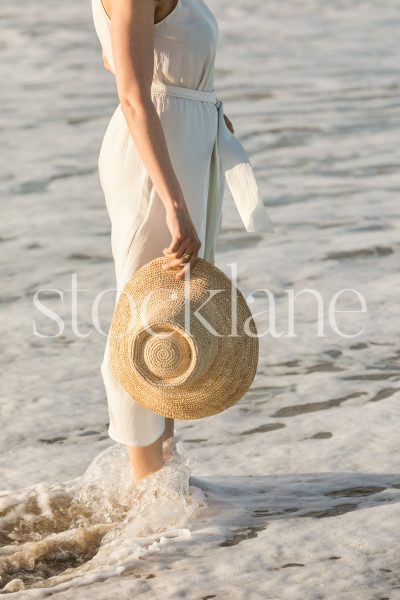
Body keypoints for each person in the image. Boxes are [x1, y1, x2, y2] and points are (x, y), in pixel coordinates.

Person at [91, 0, 238, 485]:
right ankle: (144, 493)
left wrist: (203, 105)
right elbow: (133, 96)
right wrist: (174, 205)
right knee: (142, 321)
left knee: (177, 318)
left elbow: (152, 63)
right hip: (155, 162)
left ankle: (167, 481)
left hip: (188, 146)